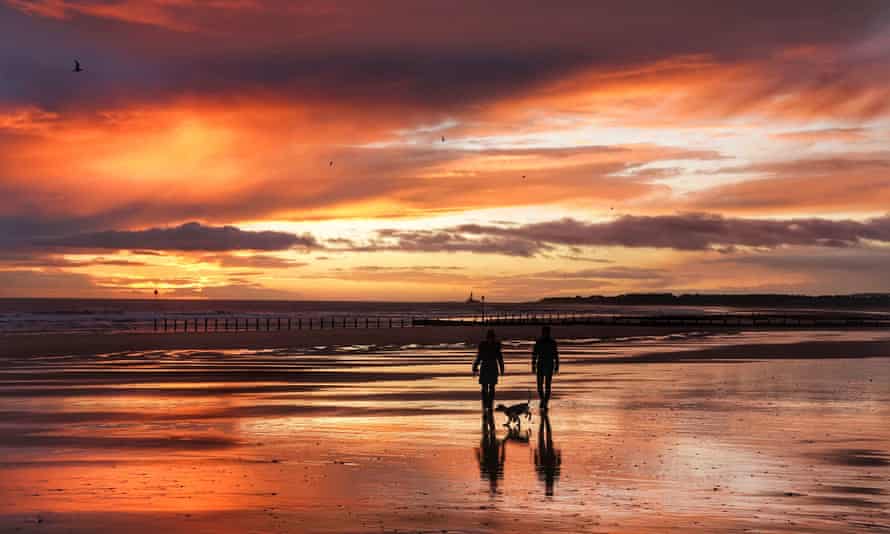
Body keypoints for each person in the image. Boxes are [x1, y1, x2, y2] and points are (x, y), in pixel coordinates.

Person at [473, 329, 505, 411]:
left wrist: (502, 368)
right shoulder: (482, 345)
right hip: (485, 367)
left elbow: (499, 358)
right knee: (484, 387)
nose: (490, 339)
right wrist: (475, 366)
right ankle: (485, 402)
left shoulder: (496, 345)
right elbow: (479, 356)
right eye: (489, 337)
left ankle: (490, 403)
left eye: (492, 337)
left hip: (493, 367)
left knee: (491, 387)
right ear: (487, 337)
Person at [531, 325, 559, 410]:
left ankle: (545, 402)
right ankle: (543, 401)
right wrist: (533, 364)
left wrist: (557, 365)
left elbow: (555, 355)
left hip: (549, 365)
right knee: (540, 386)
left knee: (547, 386)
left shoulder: (552, 342)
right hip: (541, 365)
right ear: (542, 333)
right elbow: (534, 354)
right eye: (544, 333)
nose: (546, 334)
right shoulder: (539, 342)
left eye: (547, 333)